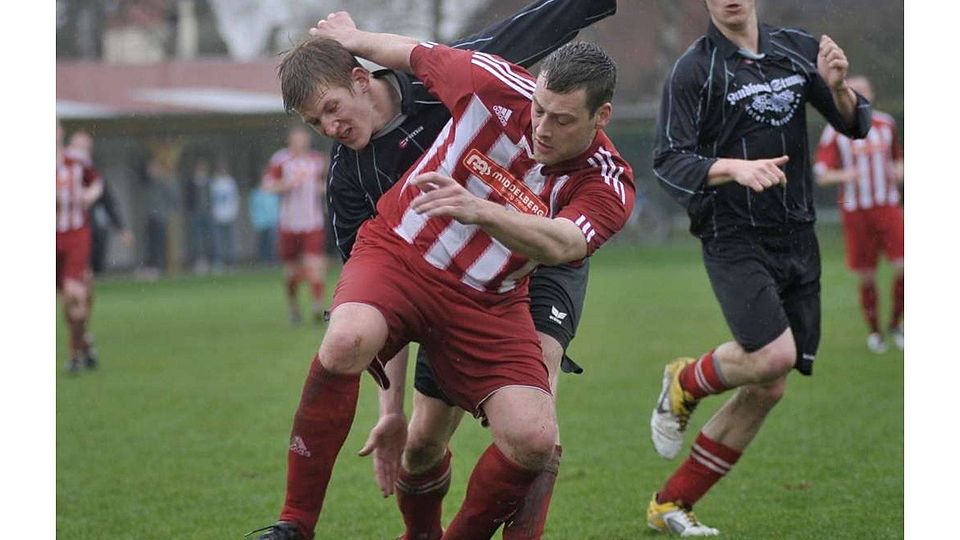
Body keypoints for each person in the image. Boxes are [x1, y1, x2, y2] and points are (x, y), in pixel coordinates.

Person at [251, 12, 632, 540]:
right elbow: (409, 49)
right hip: (403, 253)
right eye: (539, 109)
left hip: (496, 293)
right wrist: (354, 38)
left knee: (535, 434)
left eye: (562, 119)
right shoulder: (485, 86)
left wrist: (482, 211)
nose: (542, 128)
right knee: (351, 346)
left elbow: (566, 244)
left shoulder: (608, 182)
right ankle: (295, 524)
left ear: (601, 116)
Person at [647, 0, 871, 535]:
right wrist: (732, 168)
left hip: (796, 232)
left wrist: (837, 85)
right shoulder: (694, 70)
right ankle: (686, 379)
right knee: (774, 355)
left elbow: (853, 123)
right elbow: (668, 160)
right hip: (733, 234)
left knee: (771, 384)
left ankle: (671, 503)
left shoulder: (796, 48)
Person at [814, 75, 904, 353]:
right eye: (854, 92)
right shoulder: (834, 130)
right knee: (867, 275)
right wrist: (845, 174)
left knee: (904, 265)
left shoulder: (885, 123)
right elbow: (821, 174)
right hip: (856, 212)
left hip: (887, 206)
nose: (860, 97)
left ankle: (896, 325)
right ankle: (875, 332)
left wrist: (901, 169)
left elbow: (897, 158)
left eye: (865, 92)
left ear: (872, 95)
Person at [262, 125, 329, 324]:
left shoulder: (316, 160)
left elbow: (323, 184)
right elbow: (267, 186)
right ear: (290, 140)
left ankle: (318, 308)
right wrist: (288, 184)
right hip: (289, 224)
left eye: (304, 138)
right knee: (291, 273)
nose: (301, 142)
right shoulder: (280, 160)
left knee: (314, 265)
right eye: (297, 138)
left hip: (312, 222)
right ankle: (293, 307)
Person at [56, 120, 103, 373]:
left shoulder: (75, 162)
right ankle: (81, 344)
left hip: (75, 234)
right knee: (68, 300)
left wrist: (89, 195)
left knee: (77, 291)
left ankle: (75, 352)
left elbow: (97, 182)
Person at [66, 130, 134, 274]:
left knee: (91, 271)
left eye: (84, 148)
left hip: (91, 230)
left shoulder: (93, 174)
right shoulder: (60, 171)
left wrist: (121, 228)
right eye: (77, 148)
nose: (80, 153)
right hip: (65, 232)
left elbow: (108, 201)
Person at [210, 159, 240, 272]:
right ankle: (219, 261)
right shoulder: (214, 182)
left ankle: (230, 261)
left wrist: (234, 211)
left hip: (229, 214)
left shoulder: (230, 182)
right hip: (217, 215)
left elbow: (235, 198)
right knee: (218, 240)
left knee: (230, 240)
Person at [185, 158, 214, 274]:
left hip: (207, 213)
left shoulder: (209, 182)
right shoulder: (191, 183)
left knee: (209, 237)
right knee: (196, 239)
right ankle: (199, 261)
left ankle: (211, 260)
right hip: (196, 213)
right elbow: (188, 198)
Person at [249, 186, 281, 265]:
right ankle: (263, 259)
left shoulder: (273, 193)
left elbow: (276, 207)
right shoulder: (256, 194)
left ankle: (271, 260)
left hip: (271, 222)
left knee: (271, 242)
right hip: (261, 222)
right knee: (262, 242)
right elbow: (254, 208)